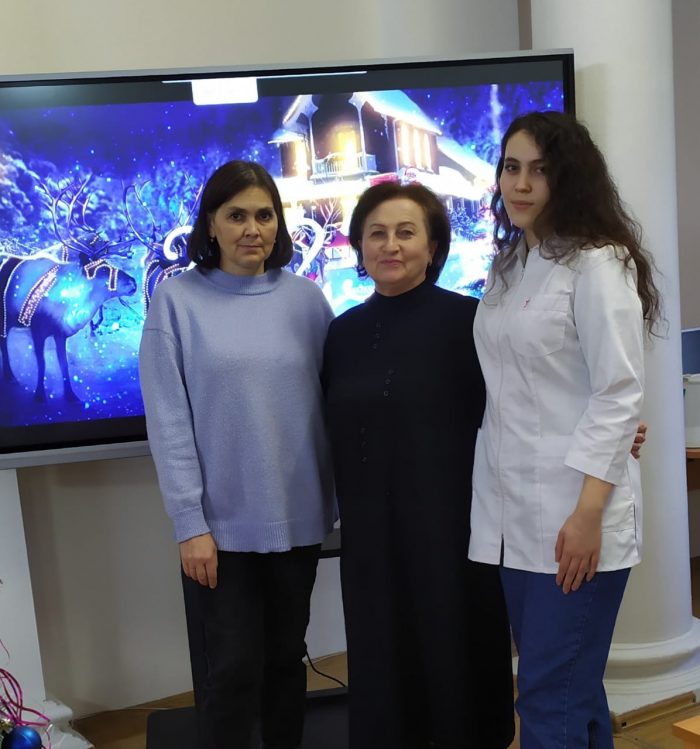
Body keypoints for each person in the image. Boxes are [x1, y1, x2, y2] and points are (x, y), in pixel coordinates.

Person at [468, 111, 661, 748]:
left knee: (548, 698)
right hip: (510, 520)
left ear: (569, 179)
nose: (520, 184)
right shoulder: (509, 265)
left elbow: (618, 393)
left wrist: (587, 515)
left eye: (540, 171)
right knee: (569, 689)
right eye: (511, 167)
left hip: (574, 518)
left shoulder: (599, 265)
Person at [138, 160, 335, 749]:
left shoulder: (307, 301)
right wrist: (189, 524)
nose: (253, 229)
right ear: (211, 225)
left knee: (285, 662)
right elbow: (168, 421)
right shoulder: (176, 303)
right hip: (219, 533)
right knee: (231, 672)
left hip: (299, 523)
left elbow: (337, 401)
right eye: (237, 215)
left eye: (265, 215)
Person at [322, 182, 515, 749]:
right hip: (370, 537)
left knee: (454, 654)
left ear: (433, 248)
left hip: (453, 531)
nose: (391, 245)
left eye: (406, 233)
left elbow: (522, 406)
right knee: (382, 656)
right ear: (359, 248)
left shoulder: (471, 322)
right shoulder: (341, 334)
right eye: (377, 234)